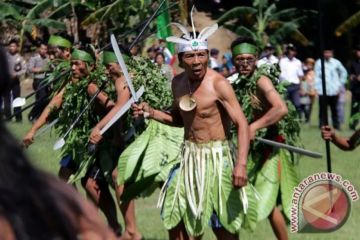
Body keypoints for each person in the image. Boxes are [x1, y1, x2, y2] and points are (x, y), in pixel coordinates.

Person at [133, 21, 250, 239]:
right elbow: (180, 119)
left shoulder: (219, 84)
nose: (197, 61)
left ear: (207, 55)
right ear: (180, 59)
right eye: (190, 56)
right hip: (189, 158)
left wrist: (241, 164)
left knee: (223, 227)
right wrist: (150, 112)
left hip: (217, 158)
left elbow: (241, 123)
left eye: (201, 55)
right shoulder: (177, 83)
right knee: (181, 223)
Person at [0, 46, 117, 240]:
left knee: (91, 184)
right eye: (72, 64)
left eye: (77, 64)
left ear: (88, 66)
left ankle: (113, 225)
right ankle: (77, 216)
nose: (73, 68)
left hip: (91, 143)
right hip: (75, 143)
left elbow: (112, 106)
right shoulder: (70, 84)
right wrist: (32, 130)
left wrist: (100, 127)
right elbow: (52, 106)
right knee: (65, 175)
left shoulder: (92, 86)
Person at [230, 36, 300, 240]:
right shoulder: (235, 82)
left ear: (257, 59)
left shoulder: (262, 80)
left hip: (269, 148)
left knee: (268, 201)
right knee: (239, 195)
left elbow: (280, 108)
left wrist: (253, 127)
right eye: (240, 59)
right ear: (233, 60)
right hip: (248, 149)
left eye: (249, 59)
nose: (244, 64)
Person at [89, 50, 142, 240]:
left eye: (109, 65)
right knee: (117, 176)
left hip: (153, 133)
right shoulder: (123, 78)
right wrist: (118, 134)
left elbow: (120, 106)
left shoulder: (123, 80)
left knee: (118, 176)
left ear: (121, 65)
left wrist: (98, 127)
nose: (106, 69)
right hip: (133, 133)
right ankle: (130, 231)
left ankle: (132, 232)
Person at [314, 48, 347, 130]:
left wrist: (340, 84)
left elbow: (344, 72)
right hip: (322, 90)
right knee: (322, 109)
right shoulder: (319, 62)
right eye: (326, 52)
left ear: (332, 53)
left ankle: (336, 125)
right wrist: (317, 88)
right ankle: (322, 125)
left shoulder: (336, 62)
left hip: (334, 90)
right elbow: (316, 76)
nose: (327, 54)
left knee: (334, 109)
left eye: (329, 52)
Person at [27, 41, 51, 121]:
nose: (44, 50)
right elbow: (30, 69)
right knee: (42, 98)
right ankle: (31, 114)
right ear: (39, 49)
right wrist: (40, 70)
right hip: (38, 81)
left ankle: (38, 117)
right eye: (42, 49)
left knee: (43, 99)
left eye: (45, 49)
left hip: (46, 80)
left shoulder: (47, 59)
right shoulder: (34, 58)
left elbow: (52, 67)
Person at [4, 39, 26, 122]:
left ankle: (18, 118)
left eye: (14, 46)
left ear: (17, 47)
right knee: (6, 99)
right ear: (9, 47)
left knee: (17, 100)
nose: (12, 48)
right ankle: (8, 117)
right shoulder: (5, 57)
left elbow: (24, 69)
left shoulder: (20, 58)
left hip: (15, 82)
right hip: (6, 82)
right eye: (11, 46)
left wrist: (16, 74)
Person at [279, 43, 304, 116]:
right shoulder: (282, 60)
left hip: (295, 86)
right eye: (289, 50)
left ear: (295, 52)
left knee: (297, 103)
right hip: (284, 86)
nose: (291, 52)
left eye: (292, 51)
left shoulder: (298, 62)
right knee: (284, 104)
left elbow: (300, 75)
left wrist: (301, 87)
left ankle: (298, 118)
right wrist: (283, 51)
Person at [349, 45, 360, 130]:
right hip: (356, 89)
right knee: (354, 108)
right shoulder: (353, 63)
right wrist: (353, 77)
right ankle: (353, 125)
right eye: (358, 51)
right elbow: (351, 75)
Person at [302, 58, 316, 124]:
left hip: (312, 91)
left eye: (311, 65)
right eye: (308, 64)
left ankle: (308, 119)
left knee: (310, 106)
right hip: (305, 91)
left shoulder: (315, 73)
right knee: (304, 105)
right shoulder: (303, 72)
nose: (309, 66)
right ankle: (305, 118)